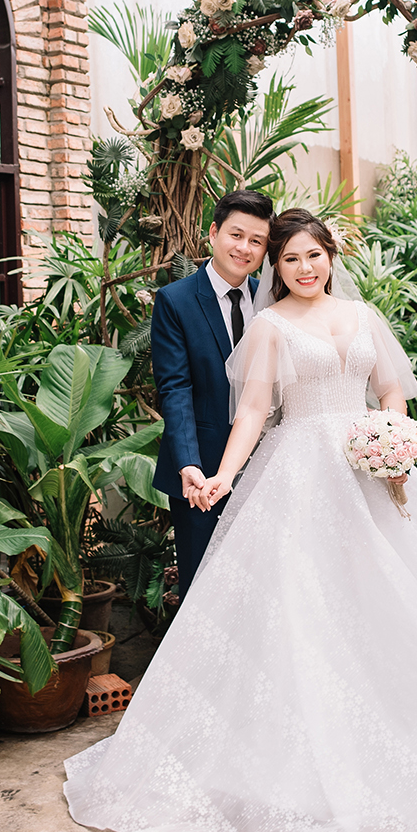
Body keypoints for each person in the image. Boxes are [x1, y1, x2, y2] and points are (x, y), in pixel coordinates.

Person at [66, 208, 417, 832]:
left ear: (330, 255)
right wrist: (223, 477)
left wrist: (392, 439)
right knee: (304, 602)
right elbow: (253, 411)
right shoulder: (270, 326)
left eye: (313, 255)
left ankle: (411, 720)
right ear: (277, 268)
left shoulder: (363, 315)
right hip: (299, 472)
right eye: (290, 259)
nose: (304, 268)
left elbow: (391, 390)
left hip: (368, 468)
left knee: (391, 594)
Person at [146, 188, 273, 598]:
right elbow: (175, 388)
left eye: (256, 240)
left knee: (265, 587)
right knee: (204, 589)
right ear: (214, 233)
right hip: (201, 474)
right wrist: (188, 463)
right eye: (236, 235)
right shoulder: (175, 300)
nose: (244, 248)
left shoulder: (273, 300)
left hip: (270, 466)